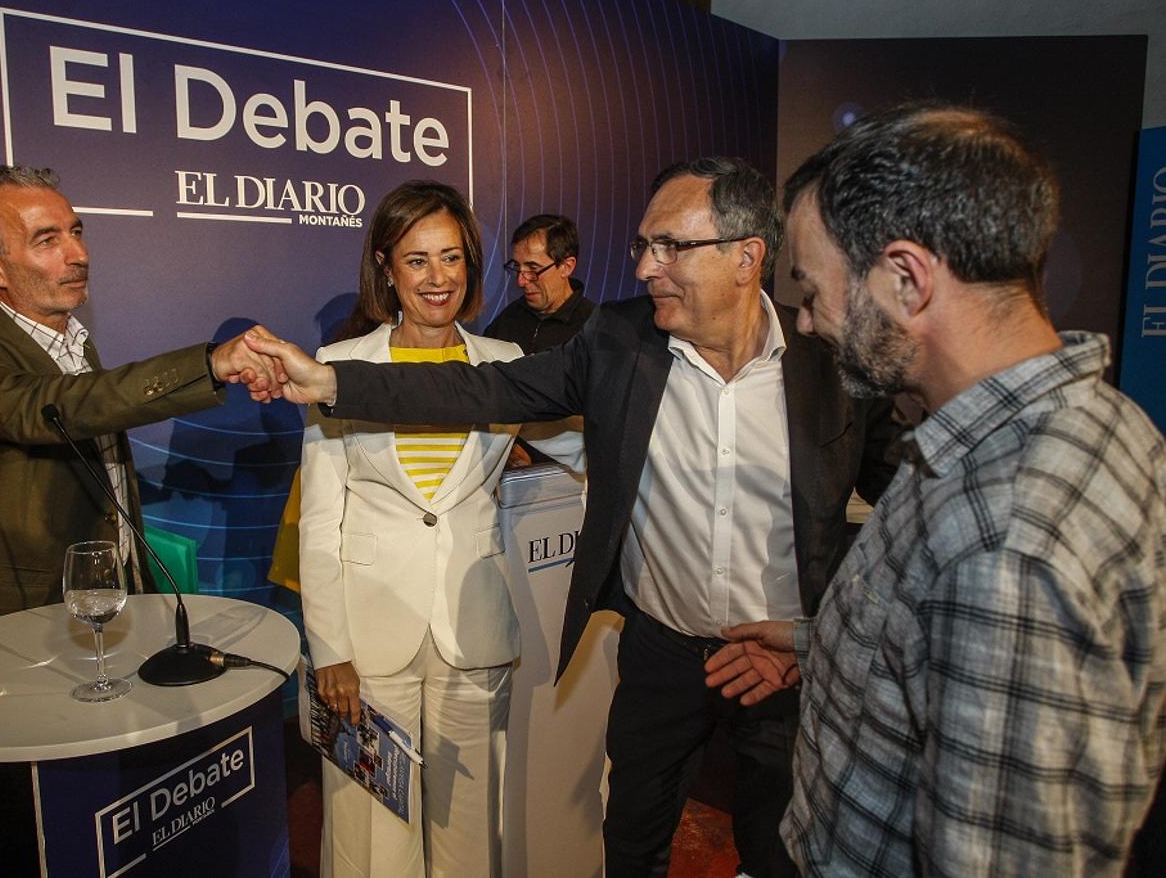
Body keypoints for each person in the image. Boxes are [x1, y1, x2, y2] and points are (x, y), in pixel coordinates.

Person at [249, 157, 901, 877]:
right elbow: (476, 392)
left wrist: (818, 635)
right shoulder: (623, 340)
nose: (646, 267)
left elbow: (906, 521)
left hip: (783, 669)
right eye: (641, 247)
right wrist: (332, 381)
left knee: (783, 849)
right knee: (629, 846)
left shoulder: (832, 364)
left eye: (669, 248)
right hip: (661, 659)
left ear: (746, 257)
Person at [706, 103, 1166, 876]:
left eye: (815, 292)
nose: (810, 324)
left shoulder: (1005, 544)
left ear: (907, 279)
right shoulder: (1093, 423)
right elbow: (967, 656)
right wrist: (828, 643)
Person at [0, 164, 274, 877]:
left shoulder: (73, 340)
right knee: (41, 821)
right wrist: (209, 365)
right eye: (47, 239)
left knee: (120, 815)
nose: (77, 253)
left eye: (75, 232)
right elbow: (53, 411)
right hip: (28, 623)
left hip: (112, 613)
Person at [299, 180, 523, 877]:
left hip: (475, 627)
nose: (438, 278)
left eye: (452, 258)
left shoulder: (508, 367)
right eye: (418, 259)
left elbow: (582, 455)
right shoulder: (336, 369)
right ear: (386, 268)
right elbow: (319, 520)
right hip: (367, 640)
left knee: (472, 820)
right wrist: (329, 645)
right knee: (371, 826)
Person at [484, 213, 595, 353]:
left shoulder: (593, 328)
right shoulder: (507, 320)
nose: (521, 281)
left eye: (533, 269)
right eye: (517, 267)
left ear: (567, 267)